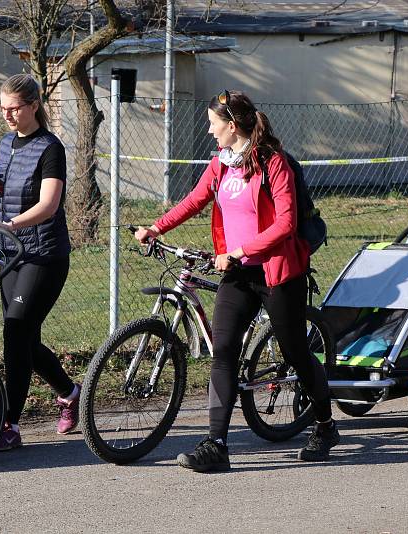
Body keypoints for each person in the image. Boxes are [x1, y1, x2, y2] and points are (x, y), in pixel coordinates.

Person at [135, 90, 339, 472]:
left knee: (295, 351)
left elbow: (286, 224)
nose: (210, 132)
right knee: (224, 350)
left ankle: (326, 426)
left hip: (277, 271)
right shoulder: (221, 165)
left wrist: (240, 250)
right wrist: (155, 228)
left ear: (232, 126)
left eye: (214, 125)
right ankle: (217, 445)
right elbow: (194, 200)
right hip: (238, 273)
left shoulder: (273, 164)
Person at [0, 74, 80, 451]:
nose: (7, 116)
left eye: (14, 108)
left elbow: (49, 205)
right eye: (2, 108)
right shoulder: (5, 144)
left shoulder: (51, 148)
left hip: (42, 255)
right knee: (25, 339)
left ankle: (9, 426)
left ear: (34, 105)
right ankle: (68, 392)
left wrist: (8, 223)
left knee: (15, 332)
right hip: (9, 254)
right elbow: (8, 191)